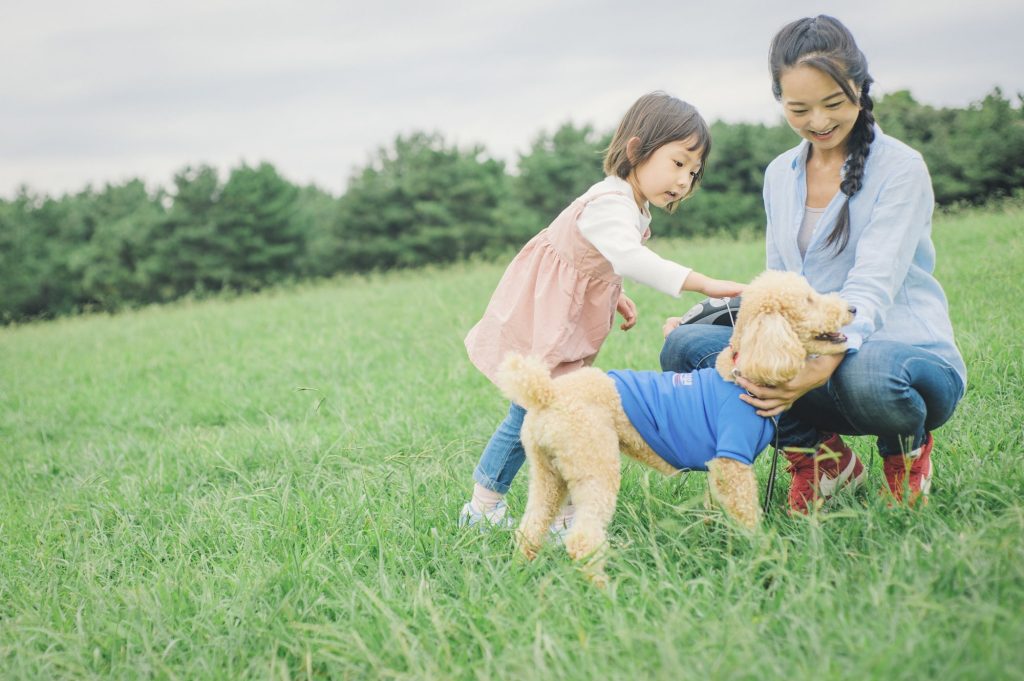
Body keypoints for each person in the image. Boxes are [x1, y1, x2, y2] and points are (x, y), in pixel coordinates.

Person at [660, 15, 966, 512]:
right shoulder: (780, 174)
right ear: (779, 99)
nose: (819, 122)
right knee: (686, 348)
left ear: (861, 91)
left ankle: (906, 452)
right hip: (812, 349)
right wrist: (728, 327)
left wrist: (820, 366)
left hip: (900, 353)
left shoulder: (901, 168)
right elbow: (778, 284)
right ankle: (822, 458)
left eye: (834, 103)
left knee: (872, 376)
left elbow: (872, 287)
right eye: (799, 108)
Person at [460, 91, 745, 528]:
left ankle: (557, 513)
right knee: (538, 407)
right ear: (636, 150)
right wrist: (704, 283)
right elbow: (628, 257)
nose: (686, 180)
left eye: (694, 170)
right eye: (678, 162)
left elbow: (600, 261)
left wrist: (614, 294)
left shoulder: (631, 203)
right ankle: (484, 508)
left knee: (555, 410)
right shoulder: (610, 203)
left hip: (562, 315)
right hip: (546, 319)